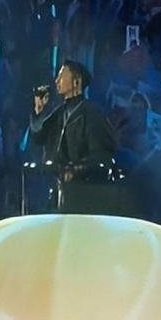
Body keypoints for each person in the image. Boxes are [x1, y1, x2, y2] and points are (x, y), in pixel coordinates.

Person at [29, 60, 118, 212]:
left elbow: (101, 155)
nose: (56, 81)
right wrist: (38, 111)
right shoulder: (59, 113)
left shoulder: (92, 114)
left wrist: (76, 169)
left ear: (76, 82)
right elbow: (38, 137)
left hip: (83, 196)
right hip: (59, 192)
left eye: (61, 76)